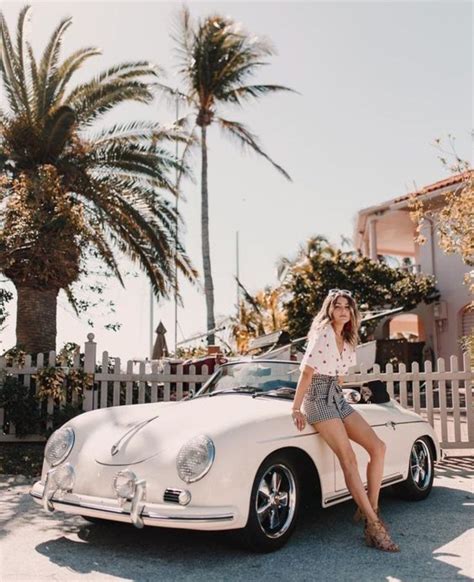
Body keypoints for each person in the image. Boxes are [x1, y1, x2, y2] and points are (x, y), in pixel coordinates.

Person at [292, 289, 400, 552]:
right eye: (336, 306)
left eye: (346, 307)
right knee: (348, 458)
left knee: (378, 447)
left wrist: (343, 396)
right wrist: (296, 408)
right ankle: (375, 526)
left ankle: (369, 510)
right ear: (329, 310)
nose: (341, 310)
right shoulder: (324, 333)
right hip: (317, 398)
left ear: (352, 312)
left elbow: (338, 378)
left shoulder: (349, 339)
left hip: (337, 397)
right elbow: (306, 374)